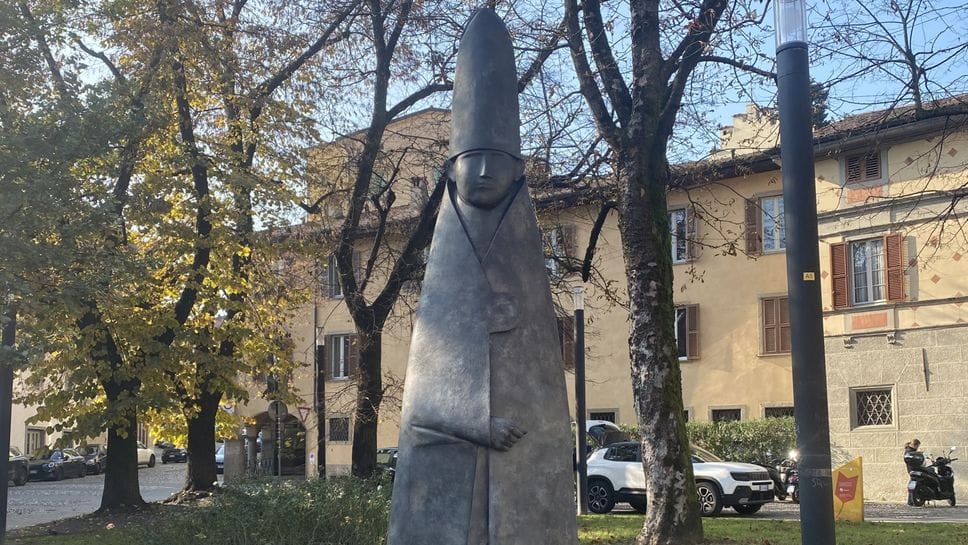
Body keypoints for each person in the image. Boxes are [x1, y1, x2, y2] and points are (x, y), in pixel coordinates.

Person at [387, 8, 577, 545]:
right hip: (448, 492)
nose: (487, 171)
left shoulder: (526, 256)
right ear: (451, 169)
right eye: (475, 160)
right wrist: (475, 427)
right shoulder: (444, 269)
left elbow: (542, 395)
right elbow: (423, 406)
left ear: (518, 169)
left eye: (498, 159)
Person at [904, 439, 923, 506]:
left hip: (912, 469)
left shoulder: (910, 450)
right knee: (912, 486)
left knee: (912, 485)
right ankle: (910, 501)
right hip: (913, 470)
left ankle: (911, 501)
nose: (918, 447)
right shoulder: (909, 451)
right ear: (915, 445)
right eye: (918, 446)